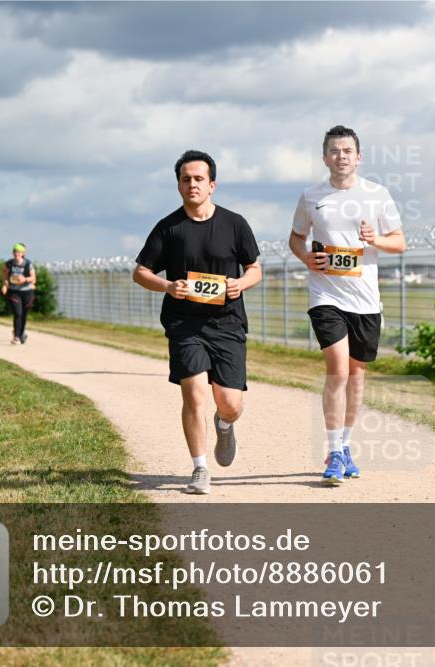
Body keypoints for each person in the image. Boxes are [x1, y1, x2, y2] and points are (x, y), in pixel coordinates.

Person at [132, 150, 262, 495]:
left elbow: (255, 268)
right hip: (184, 324)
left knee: (230, 403)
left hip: (227, 323)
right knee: (194, 394)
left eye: (199, 179)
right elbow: (141, 272)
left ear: (212, 185)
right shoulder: (168, 228)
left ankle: (224, 425)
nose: (192, 184)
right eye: (186, 179)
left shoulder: (235, 224)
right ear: (178, 185)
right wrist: (167, 286)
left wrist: (240, 283)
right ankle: (200, 467)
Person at [289, 125, 406, 484]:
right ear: (325, 158)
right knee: (338, 371)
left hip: (365, 299)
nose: (341, 156)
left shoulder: (377, 194)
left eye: (347, 151)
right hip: (325, 295)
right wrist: (307, 259)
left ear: (359, 157)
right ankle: (333, 452)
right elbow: (296, 238)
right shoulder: (311, 196)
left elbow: (399, 242)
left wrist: (376, 239)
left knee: (356, 376)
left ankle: (346, 444)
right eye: (334, 151)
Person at [1, 243, 36, 344]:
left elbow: (33, 278)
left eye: (19, 252)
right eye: (15, 252)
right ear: (13, 253)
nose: (17, 254)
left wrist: (25, 279)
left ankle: (20, 333)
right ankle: (16, 337)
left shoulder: (28, 264)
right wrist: (5, 285)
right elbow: (4, 273)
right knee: (18, 313)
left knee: (23, 315)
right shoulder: (9, 264)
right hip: (14, 292)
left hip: (27, 293)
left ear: (23, 253)